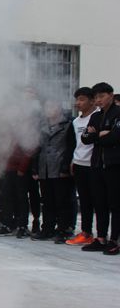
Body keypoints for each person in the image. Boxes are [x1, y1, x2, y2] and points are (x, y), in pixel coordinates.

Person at [81, 82, 120, 255]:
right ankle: (101, 237)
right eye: (96, 97)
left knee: (115, 204)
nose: (99, 100)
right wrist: (100, 135)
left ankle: (115, 240)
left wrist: (98, 136)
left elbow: (114, 138)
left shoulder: (118, 114)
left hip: (114, 165)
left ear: (111, 95)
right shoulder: (96, 117)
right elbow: (85, 138)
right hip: (96, 164)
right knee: (100, 203)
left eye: (102, 96)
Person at [30, 100, 74, 241]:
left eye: (52, 106)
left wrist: (65, 166)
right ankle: (47, 228)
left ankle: (63, 229)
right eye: (47, 106)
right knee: (47, 201)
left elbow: (70, 147)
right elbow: (37, 148)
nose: (49, 109)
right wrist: (35, 168)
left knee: (62, 200)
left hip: (59, 167)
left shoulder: (68, 125)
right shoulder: (42, 126)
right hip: (45, 168)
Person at [65, 87, 99, 245]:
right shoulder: (76, 121)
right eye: (77, 99)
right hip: (79, 164)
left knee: (98, 200)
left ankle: (102, 234)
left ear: (92, 101)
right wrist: (73, 160)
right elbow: (75, 144)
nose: (78, 103)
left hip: (94, 164)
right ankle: (86, 232)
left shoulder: (97, 117)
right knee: (84, 200)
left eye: (82, 99)